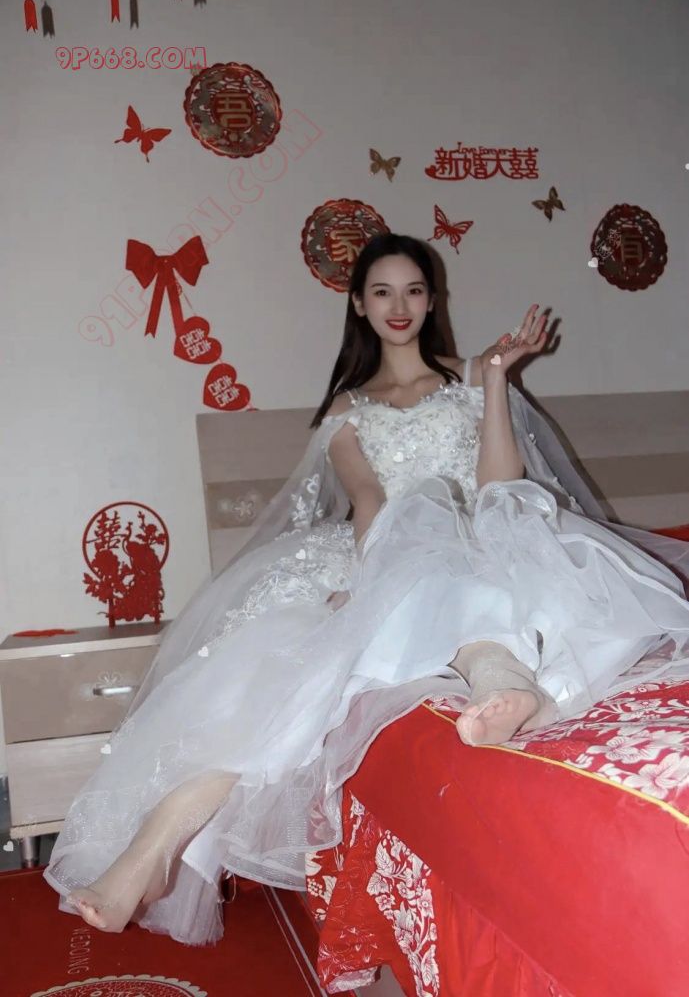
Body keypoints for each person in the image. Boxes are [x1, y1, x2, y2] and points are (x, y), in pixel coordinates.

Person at [44, 233, 689, 946]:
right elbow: (372, 502)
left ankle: (501, 682)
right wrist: (371, 583)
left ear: (433, 300)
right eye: (382, 291)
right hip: (389, 549)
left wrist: (495, 378)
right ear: (358, 304)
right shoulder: (347, 412)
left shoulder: (472, 378)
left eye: (413, 290)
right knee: (285, 678)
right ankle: (155, 843)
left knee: (448, 536)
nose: (398, 305)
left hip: (492, 537)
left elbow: (500, 485)